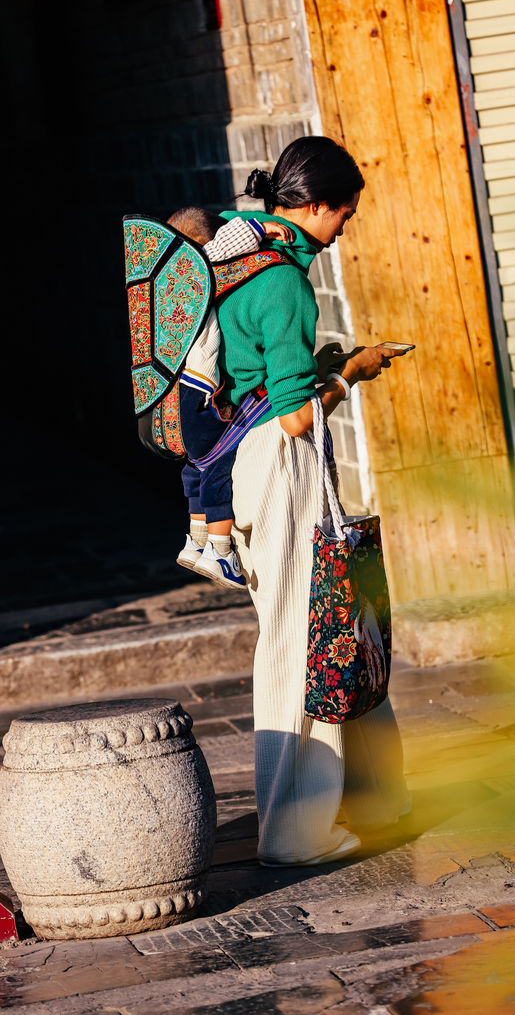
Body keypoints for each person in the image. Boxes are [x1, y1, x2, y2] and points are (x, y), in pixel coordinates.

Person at [214, 135, 411, 866]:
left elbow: (259, 375)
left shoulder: (243, 260)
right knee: (308, 633)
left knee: (319, 620)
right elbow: (297, 412)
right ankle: (298, 831)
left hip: (245, 460)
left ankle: (369, 795)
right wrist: (352, 371)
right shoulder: (287, 283)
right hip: (281, 459)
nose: (344, 230)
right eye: (345, 216)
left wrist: (325, 367)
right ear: (319, 204)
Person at [166, 206, 294, 588]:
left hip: (174, 396)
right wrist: (258, 226)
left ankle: (196, 540)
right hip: (197, 390)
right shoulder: (195, 272)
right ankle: (221, 552)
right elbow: (223, 246)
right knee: (220, 462)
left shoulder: (164, 285)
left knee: (195, 464)